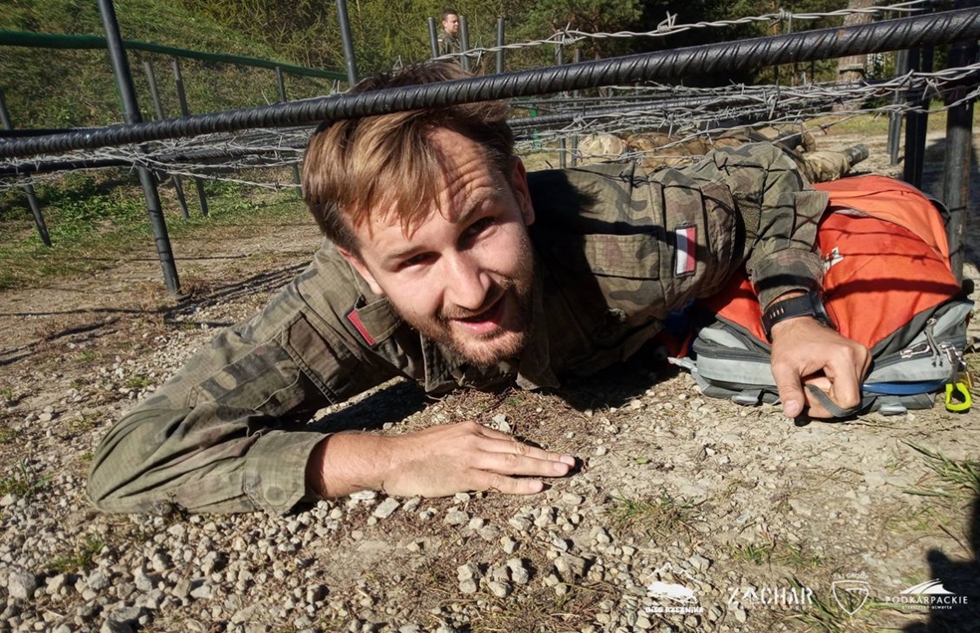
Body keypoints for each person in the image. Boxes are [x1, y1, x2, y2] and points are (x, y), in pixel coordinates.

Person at [86, 62, 870, 515]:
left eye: (479, 227)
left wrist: (793, 310)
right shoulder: (335, 309)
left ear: (520, 197)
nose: (467, 289)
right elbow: (130, 458)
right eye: (414, 261)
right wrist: (380, 458)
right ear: (362, 268)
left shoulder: (636, 240)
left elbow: (764, 177)